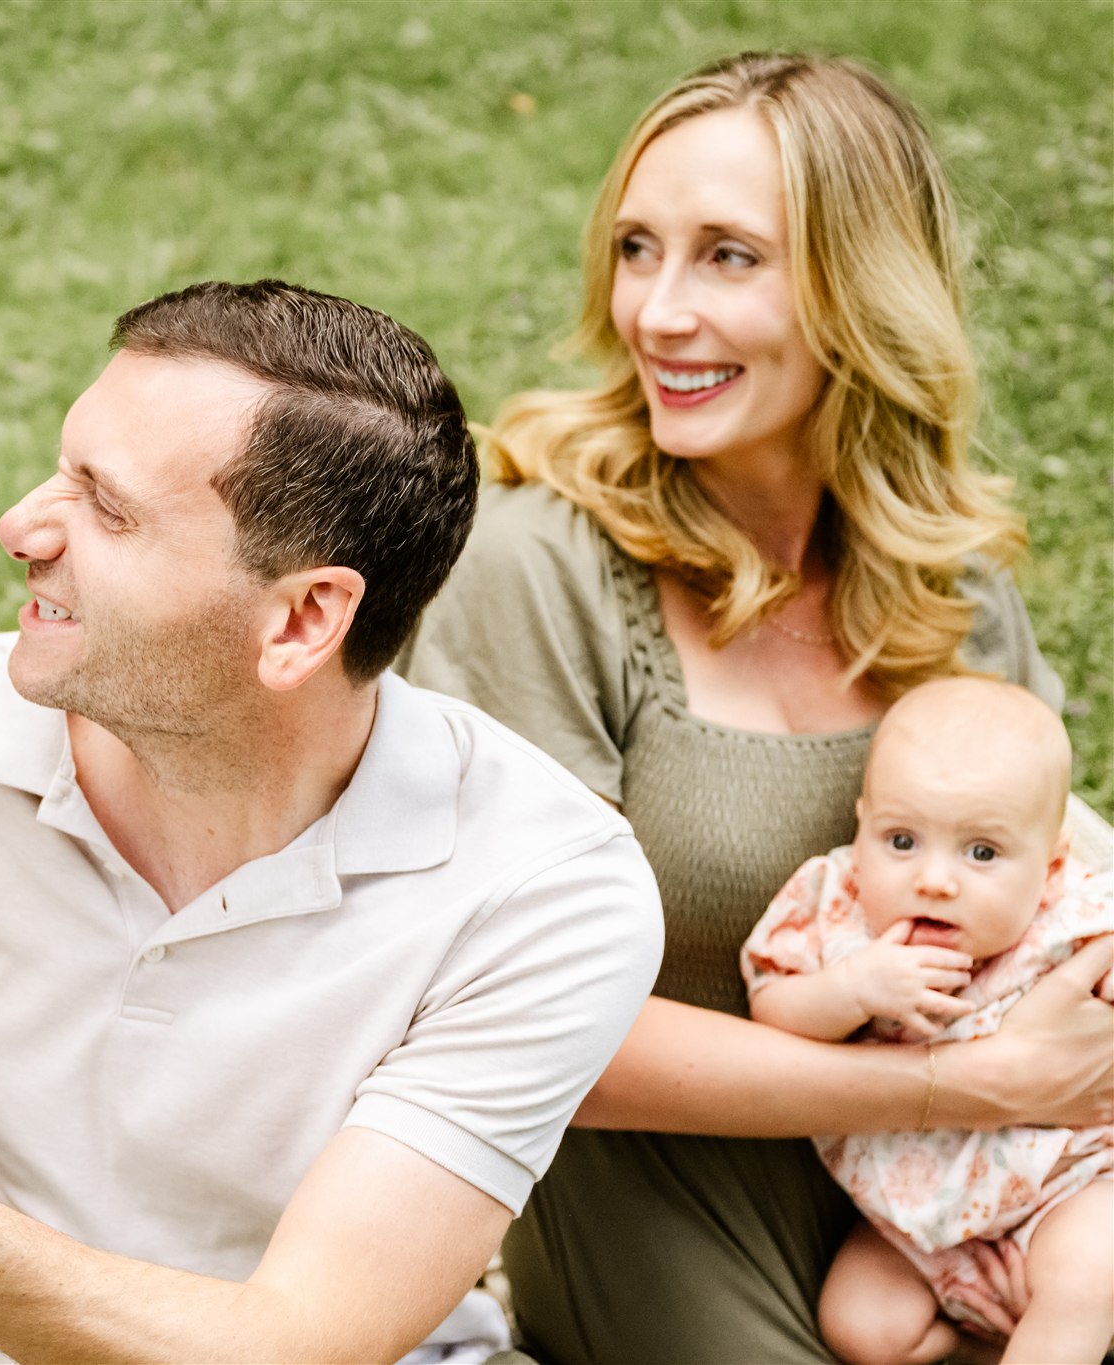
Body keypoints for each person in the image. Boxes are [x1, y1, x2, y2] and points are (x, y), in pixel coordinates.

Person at [0, 279, 666, 1363]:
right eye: (63, 470)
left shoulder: (537, 890)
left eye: (105, 508)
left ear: (299, 620)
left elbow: (297, 1344)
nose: (17, 527)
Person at [399, 51, 1114, 1363]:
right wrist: (960, 1083)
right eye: (636, 248)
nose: (657, 311)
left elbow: (1064, 882)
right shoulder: (539, 566)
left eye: (728, 256)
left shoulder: (946, 580)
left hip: (985, 1205)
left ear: (861, 289)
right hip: (668, 1201)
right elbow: (515, 1018)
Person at [743, 678, 1112, 1365]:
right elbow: (773, 1005)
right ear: (862, 823)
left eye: (981, 853)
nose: (935, 879)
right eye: (902, 839)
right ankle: (977, 1339)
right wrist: (852, 989)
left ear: (1052, 860)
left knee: (1087, 1273)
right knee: (860, 1324)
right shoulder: (838, 909)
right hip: (916, 1210)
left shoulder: (1072, 914)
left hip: (1065, 1184)